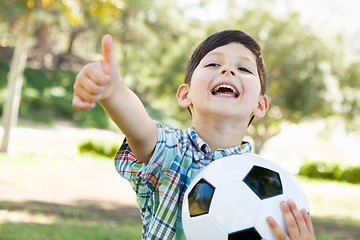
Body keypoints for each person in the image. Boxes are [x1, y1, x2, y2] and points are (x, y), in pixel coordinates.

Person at [73, 30, 315, 240]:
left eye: (243, 68)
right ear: (185, 94)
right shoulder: (171, 153)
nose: (228, 70)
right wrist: (112, 90)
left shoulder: (272, 184)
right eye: (213, 64)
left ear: (261, 105)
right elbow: (140, 127)